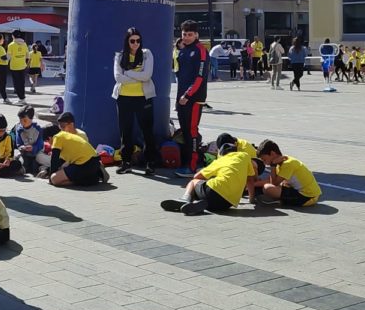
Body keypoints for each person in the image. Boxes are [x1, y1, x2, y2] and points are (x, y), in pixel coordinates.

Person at [163, 142, 262, 215]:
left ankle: (185, 199)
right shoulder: (244, 156)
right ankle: (201, 205)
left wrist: (211, 176)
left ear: (222, 153)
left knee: (194, 183)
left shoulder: (220, 160)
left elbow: (196, 177)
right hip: (227, 204)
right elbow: (250, 180)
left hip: (214, 190)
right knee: (209, 194)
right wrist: (251, 199)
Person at [113, 27, 159, 174]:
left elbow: (147, 76)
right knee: (125, 131)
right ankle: (126, 162)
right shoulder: (119, 57)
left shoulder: (147, 54)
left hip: (143, 98)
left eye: (138, 41)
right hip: (124, 98)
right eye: (132, 41)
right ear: (127, 41)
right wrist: (136, 76)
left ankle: (150, 162)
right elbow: (118, 78)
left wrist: (129, 73)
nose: (135, 44)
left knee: (147, 131)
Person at [174, 21, 208, 178]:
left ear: (196, 35)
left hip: (194, 99)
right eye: (184, 34)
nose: (186, 37)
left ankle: (192, 165)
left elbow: (200, 77)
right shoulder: (182, 50)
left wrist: (188, 95)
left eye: (190, 34)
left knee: (192, 131)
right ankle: (186, 160)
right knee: (185, 131)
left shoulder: (201, 50)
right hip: (181, 98)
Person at [48, 113, 109, 187]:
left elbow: (55, 159)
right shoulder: (64, 136)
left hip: (83, 162)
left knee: (56, 178)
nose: (61, 129)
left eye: (63, 126)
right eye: (60, 127)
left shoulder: (80, 135)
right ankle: (92, 176)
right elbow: (61, 159)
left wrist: (52, 176)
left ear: (71, 124)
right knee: (62, 169)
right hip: (85, 161)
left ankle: (89, 177)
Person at [256, 141, 322, 208]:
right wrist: (253, 184)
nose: (264, 163)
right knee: (263, 188)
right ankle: (279, 199)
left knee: (267, 188)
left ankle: (278, 201)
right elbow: (271, 180)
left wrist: (272, 165)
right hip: (302, 192)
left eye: (264, 159)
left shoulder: (287, 164)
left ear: (272, 153)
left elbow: (273, 183)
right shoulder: (281, 162)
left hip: (308, 197)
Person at [12, 105, 45, 176]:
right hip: (24, 153)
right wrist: (22, 147)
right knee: (19, 159)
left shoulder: (38, 129)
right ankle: (22, 169)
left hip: (35, 154)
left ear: (31, 118)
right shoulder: (19, 129)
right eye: (20, 120)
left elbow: (40, 144)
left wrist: (33, 148)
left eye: (25, 120)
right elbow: (18, 143)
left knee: (37, 161)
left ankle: (43, 169)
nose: (22, 122)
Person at [7, 31, 29, 103]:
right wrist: (25, 63)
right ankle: (23, 98)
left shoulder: (11, 45)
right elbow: (27, 55)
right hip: (22, 66)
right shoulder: (24, 44)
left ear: (13, 36)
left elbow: (8, 57)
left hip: (14, 66)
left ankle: (21, 98)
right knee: (22, 83)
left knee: (16, 83)